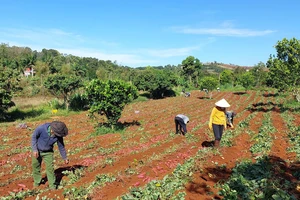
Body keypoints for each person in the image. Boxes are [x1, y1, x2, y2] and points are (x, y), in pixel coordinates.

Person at [31, 121, 69, 190]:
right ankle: (37, 182)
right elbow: (34, 137)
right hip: (37, 150)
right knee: (35, 166)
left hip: (48, 152)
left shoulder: (58, 136)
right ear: (53, 130)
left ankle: (52, 186)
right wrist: (34, 150)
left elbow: (61, 146)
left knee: (50, 169)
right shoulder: (41, 128)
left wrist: (65, 157)